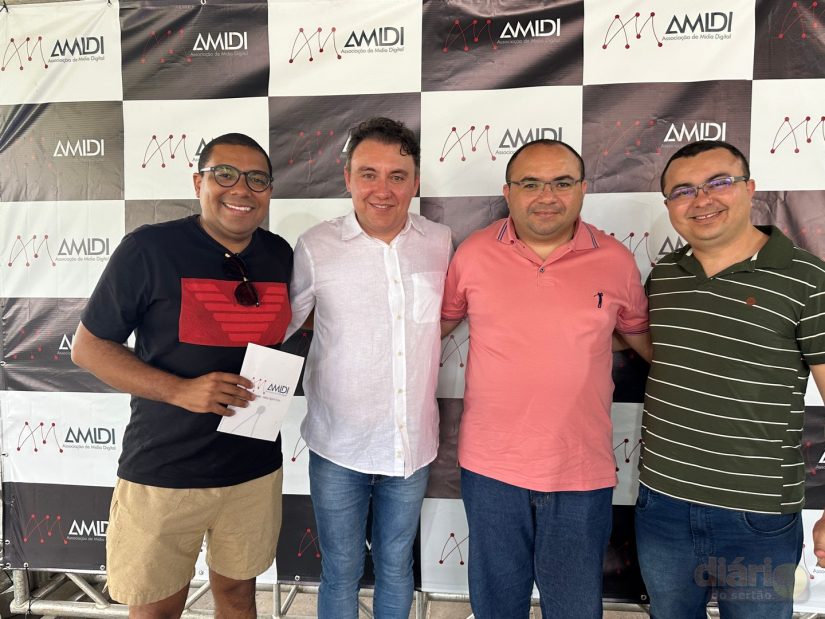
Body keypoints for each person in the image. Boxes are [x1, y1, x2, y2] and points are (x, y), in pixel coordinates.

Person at [71, 133, 292, 619]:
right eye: (225, 174)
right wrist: (180, 391)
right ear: (198, 182)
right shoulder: (149, 249)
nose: (242, 189)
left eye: (257, 179)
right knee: (157, 610)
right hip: (165, 470)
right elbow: (88, 348)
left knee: (238, 596)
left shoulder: (280, 255)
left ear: (270, 191)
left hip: (253, 469)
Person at [440, 139, 651, 618]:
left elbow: (642, 340)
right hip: (491, 469)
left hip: (580, 470)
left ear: (583, 189)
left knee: (574, 609)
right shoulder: (473, 253)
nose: (547, 196)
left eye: (561, 183)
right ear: (508, 192)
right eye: (531, 184)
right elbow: (434, 328)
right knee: (497, 608)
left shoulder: (615, 260)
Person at [635, 139, 825, 618]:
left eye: (718, 182)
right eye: (683, 190)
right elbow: (652, 349)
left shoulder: (808, 279)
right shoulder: (665, 276)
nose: (702, 199)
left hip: (757, 517)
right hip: (662, 505)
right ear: (668, 205)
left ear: (749, 188)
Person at [285, 117, 451, 619]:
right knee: (341, 569)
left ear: (415, 182)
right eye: (368, 174)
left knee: (397, 565)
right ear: (348, 178)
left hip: (411, 444)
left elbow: (444, 318)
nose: (383, 189)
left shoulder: (441, 241)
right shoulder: (316, 246)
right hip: (339, 445)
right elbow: (282, 325)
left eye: (397, 176)